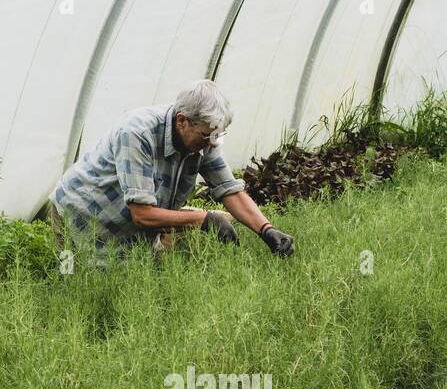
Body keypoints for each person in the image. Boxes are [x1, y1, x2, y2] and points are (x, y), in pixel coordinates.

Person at [49, 80, 295, 263]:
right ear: (181, 120)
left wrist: (267, 230)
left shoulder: (205, 138)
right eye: (206, 135)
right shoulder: (137, 133)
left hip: (129, 227)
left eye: (217, 135)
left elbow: (229, 190)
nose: (212, 143)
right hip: (81, 213)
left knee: (139, 286)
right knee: (77, 283)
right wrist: (204, 220)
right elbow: (142, 215)